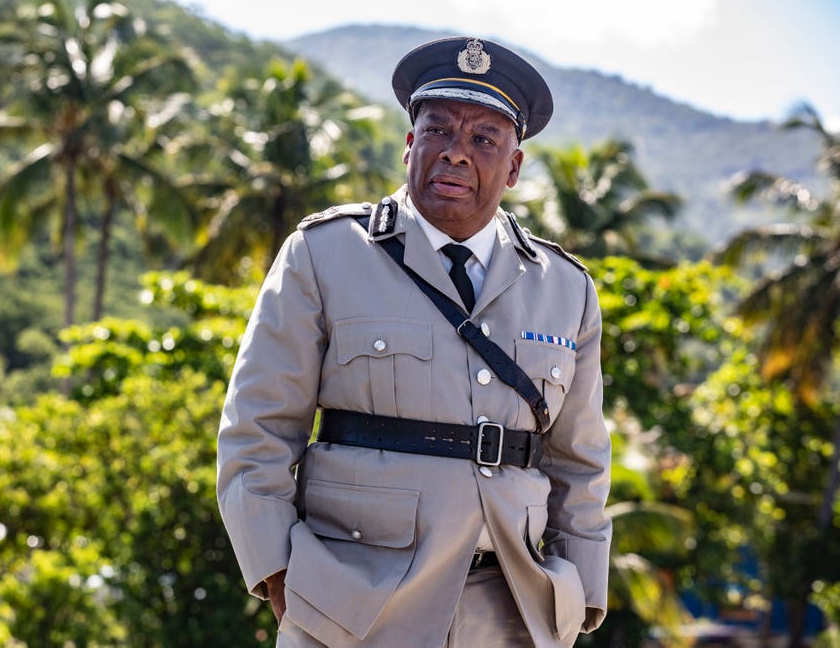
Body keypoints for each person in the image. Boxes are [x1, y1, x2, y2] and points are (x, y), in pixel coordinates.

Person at [216, 36, 611, 647]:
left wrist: (579, 600)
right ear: (409, 144)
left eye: (484, 139)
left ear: (513, 167)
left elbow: (579, 462)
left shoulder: (567, 289)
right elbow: (258, 428)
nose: (456, 154)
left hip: (512, 612)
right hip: (350, 606)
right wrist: (278, 578)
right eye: (438, 131)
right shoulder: (325, 253)